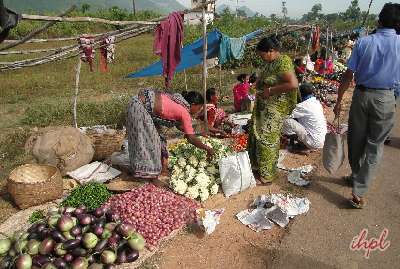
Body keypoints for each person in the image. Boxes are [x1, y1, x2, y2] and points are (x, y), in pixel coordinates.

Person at [334, 3, 400, 209]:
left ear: (379, 21)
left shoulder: (364, 42)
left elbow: (347, 75)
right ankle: (359, 189)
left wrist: (338, 100)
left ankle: (356, 177)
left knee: (356, 140)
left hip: (361, 96)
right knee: (374, 145)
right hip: (386, 98)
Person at [126, 89, 214, 179]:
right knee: (150, 143)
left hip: (135, 104)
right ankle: (149, 175)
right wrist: (207, 148)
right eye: (199, 108)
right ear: (193, 105)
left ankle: (148, 169)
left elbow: (183, 129)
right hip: (140, 108)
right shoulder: (184, 112)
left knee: (151, 139)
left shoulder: (178, 102)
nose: (199, 111)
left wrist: (198, 134)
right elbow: (190, 138)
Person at [248, 36, 299, 183]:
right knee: (257, 135)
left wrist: (270, 90)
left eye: (262, 54)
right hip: (265, 107)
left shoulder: (282, 62)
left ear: (271, 51)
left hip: (275, 108)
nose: (261, 57)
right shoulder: (270, 63)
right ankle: (258, 167)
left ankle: (268, 175)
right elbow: (265, 78)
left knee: (266, 140)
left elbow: (293, 84)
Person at [282, 83, 327, 150]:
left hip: (314, 143)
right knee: (297, 120)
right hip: (323, 140)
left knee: (285, 120)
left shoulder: (303, 106)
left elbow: (286, 115)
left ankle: (291, 138)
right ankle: (299, 140)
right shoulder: (316, 102)